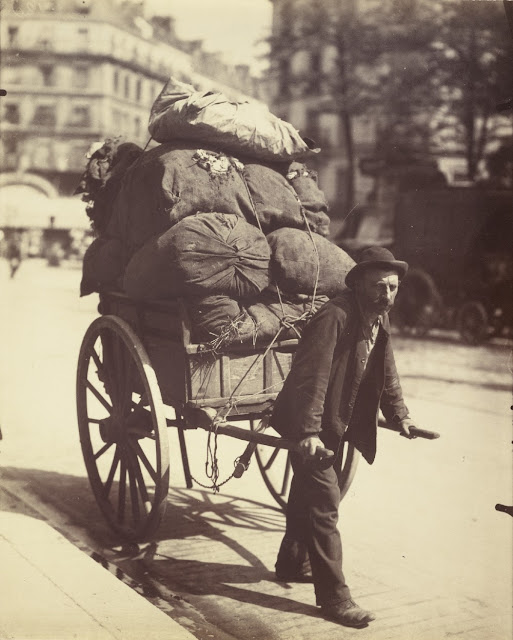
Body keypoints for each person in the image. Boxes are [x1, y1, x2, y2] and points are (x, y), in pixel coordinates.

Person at [270, 245, 418, 628]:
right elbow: (310, 377)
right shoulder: (334, 317)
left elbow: (386, 371)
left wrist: (400, 416)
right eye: (377, 286)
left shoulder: (377, 320)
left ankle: (291, 561)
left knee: (309, 490)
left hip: (335, 422)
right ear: (357, 284)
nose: (385, 295)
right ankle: (335, 598)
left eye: (392, 287)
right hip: (312, 422)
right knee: (325, 502)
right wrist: (307, 433)